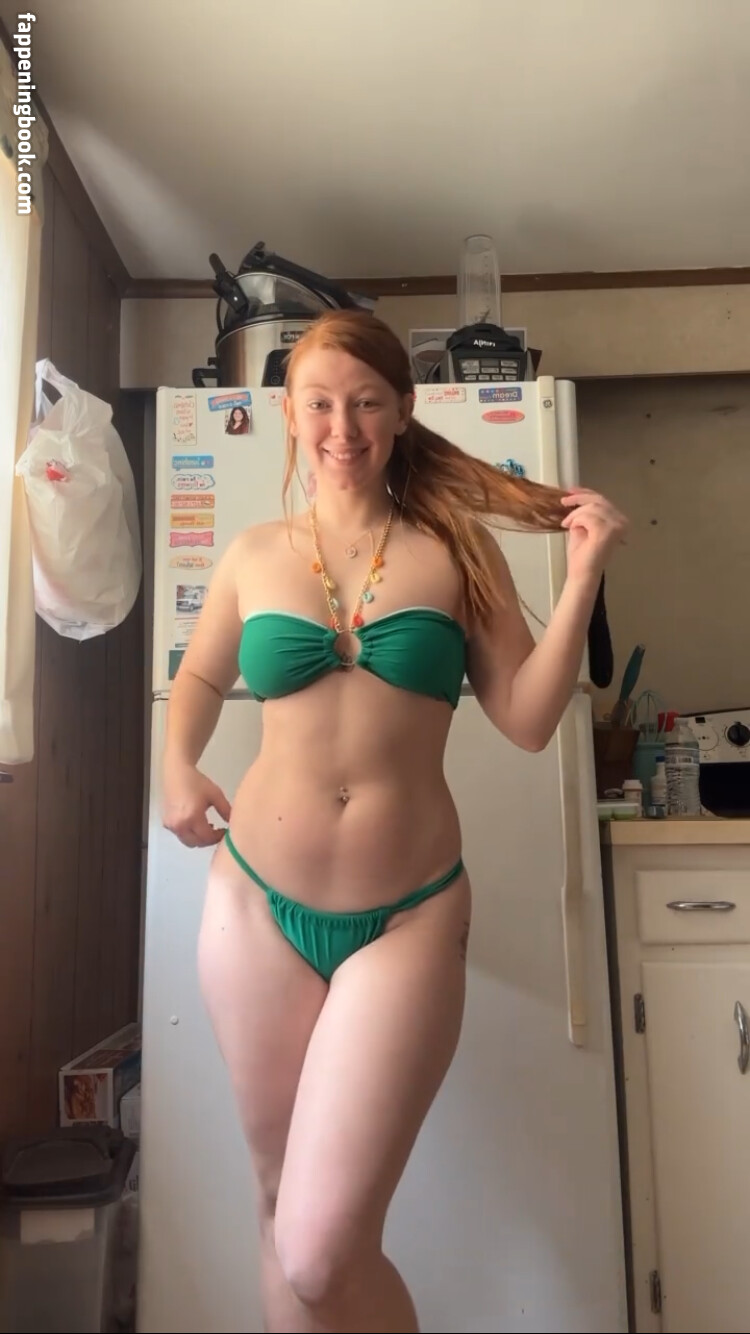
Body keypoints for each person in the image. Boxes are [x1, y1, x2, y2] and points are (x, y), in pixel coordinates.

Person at [162, 310, 628, 1334]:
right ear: (290, 415)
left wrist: (583, 578)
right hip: (255, 907)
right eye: (321, 403)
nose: (344, 427)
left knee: (321, 1247)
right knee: (278, 1210)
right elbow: (196, 675)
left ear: (403, 411)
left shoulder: (455, 552)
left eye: (367, 402)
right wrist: (175, 765)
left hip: (408, 917)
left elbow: (527, 719)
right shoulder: (253, 554)